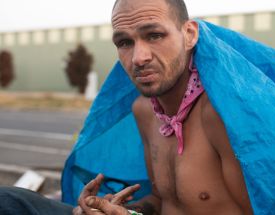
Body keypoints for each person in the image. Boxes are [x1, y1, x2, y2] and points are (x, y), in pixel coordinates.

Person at [0, 0, 253, 214]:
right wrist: (111, 209)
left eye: (154, 35)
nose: (138, 58)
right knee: (9, 202)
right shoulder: (145, 110)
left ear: (189, 35)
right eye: (124, 42)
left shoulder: (221, 113)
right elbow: (162, 200)